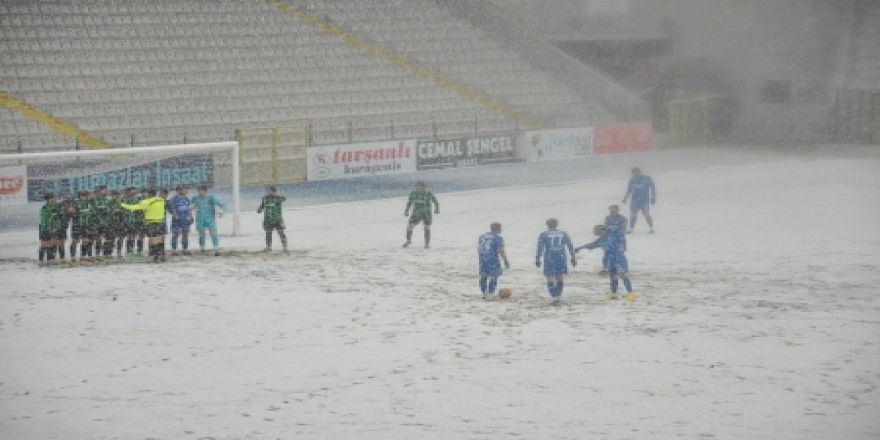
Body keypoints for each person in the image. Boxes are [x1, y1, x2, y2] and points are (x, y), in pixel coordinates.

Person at [576, 224, 634, 300]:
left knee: (622, 275)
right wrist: (579, 248)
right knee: (613, 276)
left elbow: (620, 233)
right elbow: (590, 245)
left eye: (596, 231)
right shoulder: (601, 239)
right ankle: (614, 294)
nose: (595, 233)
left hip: (619, 257)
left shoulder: (612, 235)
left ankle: (631, 294)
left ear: (601, 231)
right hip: (610, 259)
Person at [535, 218, 576, 304]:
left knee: (550, 277)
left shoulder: (543, 234)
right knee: (560, 276)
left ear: (547, 224)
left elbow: (540, 247)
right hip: (561, 256)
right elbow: (570, 246)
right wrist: (573, 257)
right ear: (557, 224)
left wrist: (538, 258)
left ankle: (553, 296)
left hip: (550, 256)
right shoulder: (564, 233)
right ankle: (558, 296)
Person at [121, 188, 167, 263]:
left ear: (149, 194)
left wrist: (121, 204)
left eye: (147, 193)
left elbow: (133, 208)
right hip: (161, 221)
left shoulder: (146, 202)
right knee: (160, 239)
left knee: (153, 240)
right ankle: (161, 256)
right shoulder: (161, 200)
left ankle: (155, 256)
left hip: (151, 222)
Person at [191, 185, 228, 256]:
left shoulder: (211, 198)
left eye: (201, 190)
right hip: (200, 219)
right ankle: (202, 248)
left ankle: (216, 249)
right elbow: (192, 206)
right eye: (198, 190)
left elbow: (223, 205)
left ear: (205, 191)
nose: (199, 192)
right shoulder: (195, 198)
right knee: (201, 235)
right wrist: (189, 209)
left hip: (210, 219)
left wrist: (222, 211)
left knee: (213, 233)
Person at [478, 222, 510, 300]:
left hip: (482, 258)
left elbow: (479, 248)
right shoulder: (498, 238)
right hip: (492, 259)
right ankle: (490, 294)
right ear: (498, 229)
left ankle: (483, 293)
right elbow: (501, 250)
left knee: (483, 276)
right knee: (494, 276)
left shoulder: (482, 236)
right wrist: (506, 261)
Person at [403, 181, 439, 249]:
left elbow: (436, 202)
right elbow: (409, 202)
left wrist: (436, 209)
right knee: (410, 226)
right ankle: (408, 241)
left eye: (418, 187)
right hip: (416, 213)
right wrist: (406, 210)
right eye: (416, 186)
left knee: (427, 227)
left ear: (423, 188)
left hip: (427, 213)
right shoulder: (413, 194)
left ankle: (427, 244)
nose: (417, 188)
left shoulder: (428, 194)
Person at [623, 167, 656, 233]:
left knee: (646, 214)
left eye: (635, 172)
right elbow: (629, 190)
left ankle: (651, 228)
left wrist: (653, 197)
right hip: (634, 201)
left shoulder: (647, 178)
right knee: (633, 215)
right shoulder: (632, 180)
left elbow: (653, 188)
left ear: (639, 171)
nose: (634, 174)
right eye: (633, 173)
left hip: (644, 200)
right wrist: (625, 198)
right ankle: (631, 229)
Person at [257, 186, 289, 254]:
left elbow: (284, 199)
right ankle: (268, 247)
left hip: (277, 219)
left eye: (268, 190)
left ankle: (285, 247)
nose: (266, 192)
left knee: (281, 233)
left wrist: (276, 196)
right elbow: (262, 205)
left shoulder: (277, 198)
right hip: (268, 219)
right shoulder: (265, 199)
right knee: (268, 233)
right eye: (266, 190)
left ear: (272, 191)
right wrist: (260, 209)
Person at [600, 204, 628, 274]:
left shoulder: (623, 218)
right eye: (610, 209)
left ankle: (624, 268)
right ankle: (605, 267)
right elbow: (606, 227)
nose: (612, 211)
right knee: (607, 253)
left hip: (619, 239)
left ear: (617, 210)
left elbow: (623, 228)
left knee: (620, 254)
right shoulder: (607, 218)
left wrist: (613, 228)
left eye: (613, 210)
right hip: (609, 239)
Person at [69, 191, 96, 261]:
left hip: (86, 225)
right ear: (80, 197)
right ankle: (72, 256)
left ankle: (83, 256)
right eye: (83, 196)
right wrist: (72, 211)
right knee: (75, 241)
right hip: (77, 225)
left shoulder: (89, 203)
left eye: (86, 196)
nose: (85, 197)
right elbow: (71, 212)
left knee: (86, 241)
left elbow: (93, 211)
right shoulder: (76, 203)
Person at [38, 193, 64, 264]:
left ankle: (51, 259)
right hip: (45, 229)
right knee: (45, 245)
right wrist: (50, 229)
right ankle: (40, 260)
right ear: (49, 199)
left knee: (53, 243)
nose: (56, 199)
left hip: (54, 228)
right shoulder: (44, 208)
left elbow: (59, 217)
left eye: (55, 198)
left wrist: (57, 226)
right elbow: (44, 221)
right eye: (54, 198)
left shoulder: (57, 206)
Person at [168, 185, 194, 256]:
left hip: (185, 219)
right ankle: (174, 250)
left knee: (185, 234)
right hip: (176, 220)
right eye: (185, 189)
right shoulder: (173, 199)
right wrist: (176, 216)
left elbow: (189, 209)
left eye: (187, 189)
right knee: (176, 234)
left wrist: (191, 217)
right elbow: (172, 209)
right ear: (179, 190)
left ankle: (185, 249)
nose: (187, 191)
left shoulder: (187, 199)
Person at [92, 185, 114, 258]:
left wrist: (109, 211)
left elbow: (111, 209)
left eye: (107, 190)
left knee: (109, 238)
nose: (107, 191)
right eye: (105, 190)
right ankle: (97, 255)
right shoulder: (95, 199)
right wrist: (102, 210)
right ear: (100, 191)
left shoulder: (108, 200)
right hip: (98, 222)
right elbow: (95, 210)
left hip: (108, 222)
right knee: (98, 238)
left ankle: (107, 254)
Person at [121, 187, 144, 256]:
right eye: (131, 191)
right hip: (128, 220)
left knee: (139, 235)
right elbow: (124, 208)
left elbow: (141, 207)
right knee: (130, 236)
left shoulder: (138, 198)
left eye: (133, 191)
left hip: (138, 220)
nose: (133, 192)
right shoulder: (124, 199)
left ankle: (139, 251)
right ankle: (129, 251)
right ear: (127, 192)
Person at [107, 190, 128, 258]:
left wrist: (122, 212)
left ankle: (119, 253)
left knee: (121, 238)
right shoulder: (110, 202)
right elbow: (108, 211)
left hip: (121, 222)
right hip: (112, 222)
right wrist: (113, 212)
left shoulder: (122, 202)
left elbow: (126, 210)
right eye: (114, 195)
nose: (116, 197)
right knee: (111, 238)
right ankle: (109, 253)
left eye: (117, 196)